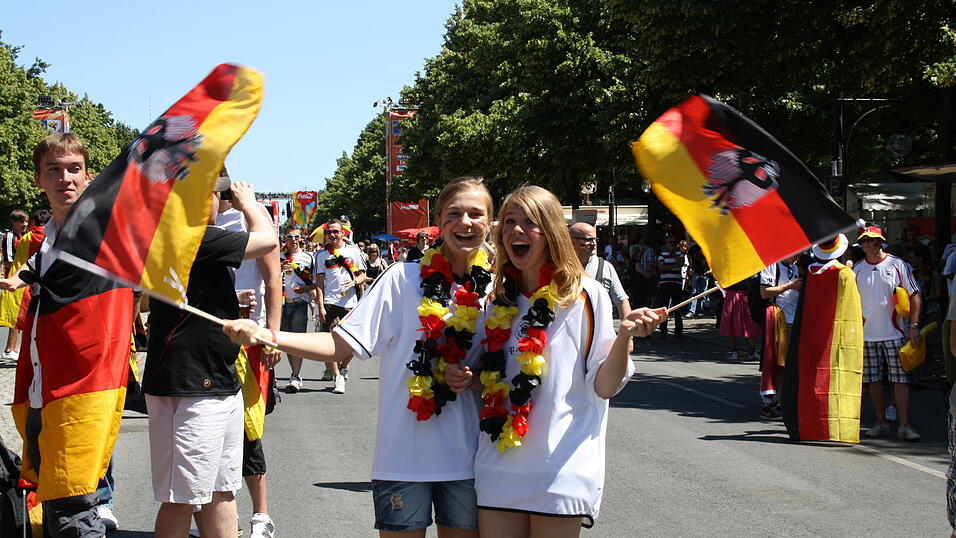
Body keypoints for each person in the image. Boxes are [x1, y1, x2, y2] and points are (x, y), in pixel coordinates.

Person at [223, 176, 495, 537]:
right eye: (455, 213)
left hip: (469, 462)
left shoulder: (498, 289)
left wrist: (474, 379)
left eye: (476, 214)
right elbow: (339, 346)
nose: (465, 222)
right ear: (440, 221)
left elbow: (509, 372)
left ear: (489, 223)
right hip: (403, 460)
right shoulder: (403, 278)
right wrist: (268, 335)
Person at [464, 185, 664, 536]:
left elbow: (603, 386)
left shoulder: (586, 294)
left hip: (560, 467)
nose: (516, 230)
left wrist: (624, 337)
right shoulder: (496, 301)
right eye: (509, 221)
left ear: (552, 232)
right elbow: (487, 377)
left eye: (530, 222)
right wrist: (465, 376)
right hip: (498, 465)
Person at [0, 133, 134, 536]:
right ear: (39, 178)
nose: (65, 178)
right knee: (49, 502)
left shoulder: (107, 232)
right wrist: (18, 280)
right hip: (43, 387)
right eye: (54, 170)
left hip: (84, 388)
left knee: (75, 511)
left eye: (74, 169)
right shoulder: (46, 240)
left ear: (89, 175)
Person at [143, 179, 278, 538]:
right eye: (207, 193)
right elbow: (268, 240)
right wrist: (250, 203)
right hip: (189, 386)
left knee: (221, 489)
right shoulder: (190, 233)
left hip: (214, 379)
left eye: (214, 193)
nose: (213, 201)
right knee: (181, 498)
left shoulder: (192, 236)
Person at [216, 177, 282, 538]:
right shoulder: (193, 223)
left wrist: (272, 337)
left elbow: (273, 282)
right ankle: (225, 519)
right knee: (211, 431)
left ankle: (261, 515)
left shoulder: (251, 219)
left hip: (249, 342)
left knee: (249, 430)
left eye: (220, 185)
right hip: (206, 342)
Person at [853, 225, 923, 441]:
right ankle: (881, 422)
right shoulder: (857, 268)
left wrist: (913, 326)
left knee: (900, 379)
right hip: (867, 334)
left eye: (870, 240)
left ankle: (904, 425)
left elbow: (915, 294)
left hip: (895, 332)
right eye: (863, 240)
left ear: (879, 241)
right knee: (873, 380)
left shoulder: (897, 264)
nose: (866, 244)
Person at [314, 218, 367, 393]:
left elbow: (362, 275)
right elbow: (319, 284)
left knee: (353, 342)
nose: (332, 235)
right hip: (330, 302)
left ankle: (343, 368)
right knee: (329, 342)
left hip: (351, 303)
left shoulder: (354, 252)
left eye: (335, 231)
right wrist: (320, 306)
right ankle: (337, 377)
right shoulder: (321, 256)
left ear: (343, 233)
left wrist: (354, 283)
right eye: (329, 232)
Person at [758, 253, 803, 416]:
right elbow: (764, 292)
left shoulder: (795, 267)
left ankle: (779, 400)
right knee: (775, 361)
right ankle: (770, 401)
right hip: (778, 317)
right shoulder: (772, 264)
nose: (799, 256)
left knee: (786, 364)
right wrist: (790, 285)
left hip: (792, 319)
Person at [569, 222, 631, 319]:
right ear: (572, 242)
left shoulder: (605, 267)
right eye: (588, 239)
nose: (594, 243)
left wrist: (628, 329)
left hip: (598, 332)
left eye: (595, 239)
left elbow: (622, 301)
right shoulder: (560, 267)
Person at [279, 224, 314, 393]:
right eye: (289, 237)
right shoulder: (278, 256)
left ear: (301, 238)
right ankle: (293, 373)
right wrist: (279, 270)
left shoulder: (308, 257)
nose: (293, 240)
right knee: (285, 341)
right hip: (281, 303)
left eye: (296, 237)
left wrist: (306, 289)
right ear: (284, 239)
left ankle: (295, 375)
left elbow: (316, 283)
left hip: (299, 301)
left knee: (298, 340)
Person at [1, 209, 28, 362]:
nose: (24, 225)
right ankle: (9, 349)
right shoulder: (9, 237)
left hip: (20, 278)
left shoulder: (23, 236)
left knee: (20, 315)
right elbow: (9, 261)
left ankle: (15, 348)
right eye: (21, 222)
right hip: (11, 278)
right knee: (14, 315)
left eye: (25, 221)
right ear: (13, 222)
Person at [655, 235, 685, 337]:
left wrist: (673, 256)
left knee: (678, 307)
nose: (671, 244)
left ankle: (678, 331)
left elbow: (681, 263)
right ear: (666, 243)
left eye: (673, 242)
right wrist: (675, 265)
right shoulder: (662, 254)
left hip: (676, 284)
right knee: (664, 308)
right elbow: (661, 267)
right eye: (669, 242)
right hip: (665, 284)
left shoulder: (680, 253)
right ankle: (663, 330)